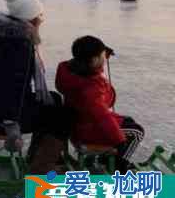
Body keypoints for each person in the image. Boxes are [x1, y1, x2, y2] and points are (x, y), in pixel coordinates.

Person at [0, 0, 72, 173]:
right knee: (63, 117)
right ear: (31, 19)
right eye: (40, 16)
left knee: (54, 100)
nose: (42, 20)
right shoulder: (19, 48)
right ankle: (42, 168)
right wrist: (11, 125)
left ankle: (37, 155)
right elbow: (14, 89)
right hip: (2, 116)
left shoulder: (8, 40)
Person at [55, 36, 144, 173]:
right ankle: (120, 166)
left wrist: (100, 54)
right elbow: (102, 117)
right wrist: (119, 141)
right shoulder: (91, 87)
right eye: (102, 55)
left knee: (128, 122)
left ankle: (107, 160)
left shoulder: (69, 71)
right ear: (94, 60)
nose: (104, 58)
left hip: (79, 124)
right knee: (137, 132)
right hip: (89, 131)